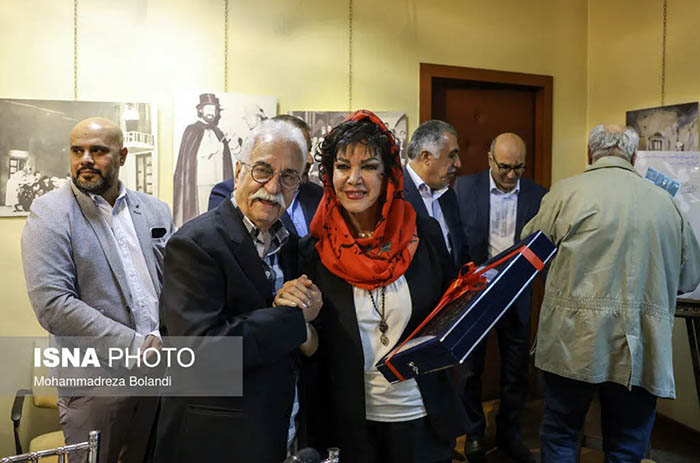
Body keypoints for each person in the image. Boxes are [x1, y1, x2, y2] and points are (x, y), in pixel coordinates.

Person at [522, 124, 700, 463]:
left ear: (590, 153)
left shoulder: (564, 194)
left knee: (561, 436)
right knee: (626, 447)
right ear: (634, 156)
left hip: (571, 341)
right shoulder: (666, 204)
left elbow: (530, 258)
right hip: (640, 347)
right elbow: (689, 277)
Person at [299, 110, 466, 463]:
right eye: (343, 167)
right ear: (329, 175)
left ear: (388, 174)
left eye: (369, 166)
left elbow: (451, 314)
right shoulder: (315, 252)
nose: (354, 179)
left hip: (422, 418)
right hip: (349, 427)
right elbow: (314, 348)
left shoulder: (424, 234)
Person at [154, 118, 322, 463]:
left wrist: (303, 326)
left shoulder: (289, 241)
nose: (273, 186)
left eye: (289, 176)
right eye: (263, 170)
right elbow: (200, 354)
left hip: (281, 431)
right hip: (217, 441)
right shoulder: (195, 243)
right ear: (239, 170)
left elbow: (306, 341)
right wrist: (292, 320)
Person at [21, 117, 174, 463]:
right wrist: (136, 346)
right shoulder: (51, 212)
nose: (85, 159)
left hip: (160, 373)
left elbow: (176, 282)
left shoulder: (155, 209)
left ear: (122, 156)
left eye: (98, 150)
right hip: (96, 385)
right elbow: (53, 304)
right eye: (77, 151)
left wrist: (167, 338)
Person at [453, 133, 546, 463]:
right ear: (490, 159)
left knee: (516, 370)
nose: (510, 175)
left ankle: (510, 434)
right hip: (475, 292)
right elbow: (455, 240)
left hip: (517, 292)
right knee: (469, 370)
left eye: (518, 168)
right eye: (504, 167)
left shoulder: (539, 196)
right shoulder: (464, 188)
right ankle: (474, 434)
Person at [208, 114, 323, 237]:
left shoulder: (318, 195)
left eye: (308, 149)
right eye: (263, 171)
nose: (310, 160)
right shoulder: (226, 194)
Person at [403, 119, 468, 268]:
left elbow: (460, 252)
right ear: (426, 157)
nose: (458, 163)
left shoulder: (448, 194)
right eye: (451, 155)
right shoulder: (394, 195)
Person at [173, 93, 234, 226]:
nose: (211, 112)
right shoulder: (192, 130)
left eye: (214, 109)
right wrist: (215, 148)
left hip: (218, 182)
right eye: (208, 109)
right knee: (203, 218)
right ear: (200, 110)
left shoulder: (218, 132)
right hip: (201, 183)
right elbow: (193, 156)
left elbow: (226, 160)